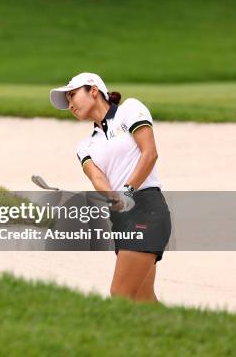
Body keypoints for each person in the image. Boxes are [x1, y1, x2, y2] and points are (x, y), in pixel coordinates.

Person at [49, 72, 172, 303]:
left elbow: (150, 153)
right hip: (123, 218)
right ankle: (178, 336)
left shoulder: (129, 109)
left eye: (72, 95)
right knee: (143, 298)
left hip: (148, 208)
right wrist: (112, 196)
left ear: (93, 90)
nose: (70, 104)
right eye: (67, 101)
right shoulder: (85, 146)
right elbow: (97, 177)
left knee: (120, 294)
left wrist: (127, 192)